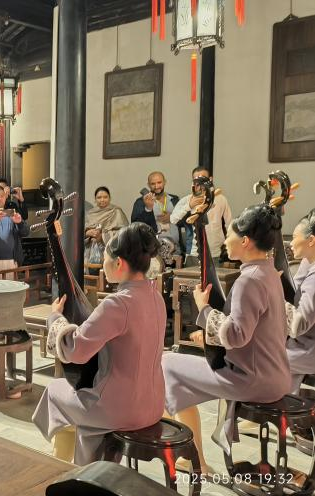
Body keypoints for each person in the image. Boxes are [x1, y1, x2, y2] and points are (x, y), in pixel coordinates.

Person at [162, 204, 291, 475]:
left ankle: (191, 457)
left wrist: (204, 308)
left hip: (253, 379)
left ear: (245, 241)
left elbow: (235, 335)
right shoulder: (268, 272)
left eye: (229, 234)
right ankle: (193, 458)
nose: (225, 241)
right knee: (176, 375)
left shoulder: (249, 280)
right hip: (276, 375)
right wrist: (207, 333)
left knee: (166, 363)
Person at [32, 222, 165, 465]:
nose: (104, 265)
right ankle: (77, 463)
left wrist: (55, 319)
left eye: (105, 260)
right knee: (74, 402)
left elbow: (76, 350)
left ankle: (62, 465)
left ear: (119, 263)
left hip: (120, 409)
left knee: (54, 391)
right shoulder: (156, 296)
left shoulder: (118, 304)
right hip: (154, 404)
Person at [171, 167, 232, 265]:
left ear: (210, 179)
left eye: (203, 178)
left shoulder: (221, 199)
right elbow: (173, 219)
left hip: (217, 253)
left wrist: (228, 248)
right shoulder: (187, 200)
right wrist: (189, 206)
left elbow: (229, 225)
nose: (199, 183)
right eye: (196, 180)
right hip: (194, 253)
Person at [285, 211, 315, 392]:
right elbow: (293, 289)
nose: (291, 242)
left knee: (257, 356)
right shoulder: (308, 261)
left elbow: (299, 325)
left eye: (295, 237)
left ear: (311, 241)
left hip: (308, 349)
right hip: (303, 343)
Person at [0, 185, 30, 267]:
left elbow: (26, 233)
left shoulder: (11, 213)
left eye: (2, 196)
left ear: (5, 198)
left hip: (11, 260)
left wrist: (20, 223)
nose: (0, 199)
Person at [131, 171, 180, 245]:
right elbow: (135, 226)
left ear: (164, 182)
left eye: (159, 182)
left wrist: (173, 217)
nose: (156, 186)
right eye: (153, 184)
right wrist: (148, 209)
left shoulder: (174, 199)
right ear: (148, 185)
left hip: (176, 248)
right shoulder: (141, 202)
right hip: (153, 248)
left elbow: (185, 221)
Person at [85, 186, 129, 266]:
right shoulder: (90, 214)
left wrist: (102, 236)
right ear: (95, 199)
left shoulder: (116, 211)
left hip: (111, 252)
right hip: (91, 252)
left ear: (109, 198)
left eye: (105, 197)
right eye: (99, 197)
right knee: (92, 271)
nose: (102, 200)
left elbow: (124, 233)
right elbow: (81, 232)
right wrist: (87, 233)